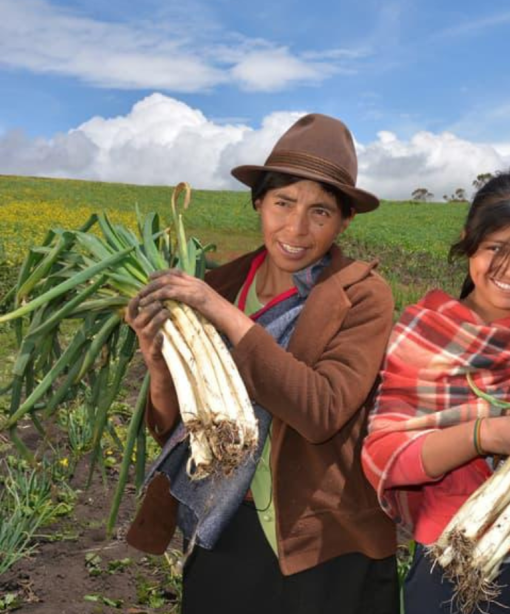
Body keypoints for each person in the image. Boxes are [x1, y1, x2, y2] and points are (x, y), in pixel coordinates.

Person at [124, 113, 399, 614]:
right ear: (258, 203)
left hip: (322, 540)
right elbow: (173, 430)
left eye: (320, 212)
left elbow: (321, 411)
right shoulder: (223, 282)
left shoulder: (361, 296)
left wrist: (221, 312)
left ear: (344, 221)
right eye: (283, 203)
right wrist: (159, 368)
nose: (296, 228)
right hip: (225, 525)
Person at [361, 166, 510, 614]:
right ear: (469, 244)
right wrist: (486, 435)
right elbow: (384, 454)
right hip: (450, 566)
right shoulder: (426, 335)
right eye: (495, 247)